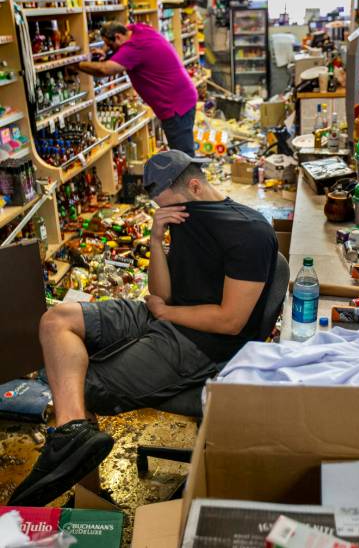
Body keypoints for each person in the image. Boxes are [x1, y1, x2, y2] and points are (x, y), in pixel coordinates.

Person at [9, 150, 278, 506]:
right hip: (162, 316)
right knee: (56, 321)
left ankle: (80, 478)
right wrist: (156, 238)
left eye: (166, 205)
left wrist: (167, 314)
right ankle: (71, 437)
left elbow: (230, 321)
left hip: (203, 343)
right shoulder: (183, 216)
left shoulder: (249, 232)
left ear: (194, 186)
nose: (165, 213)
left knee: (76, 386)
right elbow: (160, 293)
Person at [78, 22, 198, 156]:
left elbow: (104, 69)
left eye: (110, 45)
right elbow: (123, 31)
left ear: (118, 37)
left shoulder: (133, 48)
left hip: (175, 106)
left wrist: (78, 65)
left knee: (183, 158)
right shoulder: (139, 29)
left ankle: (190, 177)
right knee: (181, 153)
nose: (109, 48)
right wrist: (105, 51)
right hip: (184, 97)